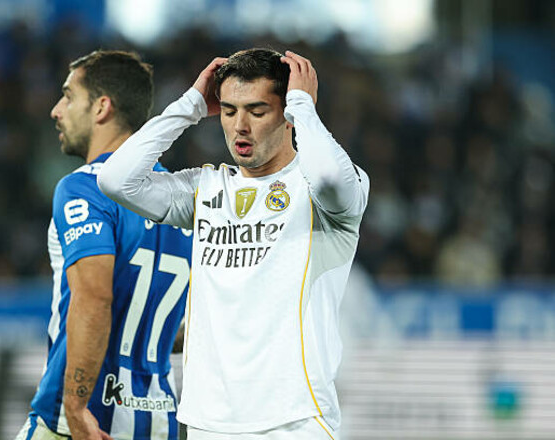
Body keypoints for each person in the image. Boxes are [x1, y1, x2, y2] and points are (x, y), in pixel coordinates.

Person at [97, 48, 369, 439]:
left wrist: (304, 107)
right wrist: (190, 106)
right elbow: (115, 180)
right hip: (208, 422)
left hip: (295, 420)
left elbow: (328, 177)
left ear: (287, 114)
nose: (240, 126)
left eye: (257, 111)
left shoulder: (321, 192)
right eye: (228, 111)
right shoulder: (205, 189)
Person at [15, 50, 192, 440]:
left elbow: (95, 298)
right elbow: (168, 321)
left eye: (68, 96)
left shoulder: (85, 187)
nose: (56, 110)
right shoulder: (182, 200)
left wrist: (75, 407)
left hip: (82, 423)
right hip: (157, 423)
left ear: (101, 107)